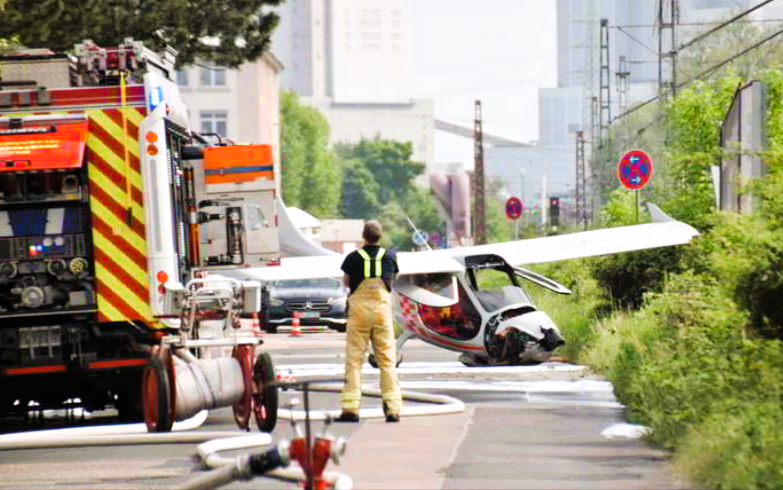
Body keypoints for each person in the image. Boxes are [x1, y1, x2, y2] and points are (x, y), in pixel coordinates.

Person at [336, 220, 402, 423]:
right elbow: (394, 277)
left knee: (354, 361)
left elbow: (346, 282)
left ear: (363, 237)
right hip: (382, 312)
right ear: (380, 236)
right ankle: (392, 409)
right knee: (387, 362)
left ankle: (351, 409)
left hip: (359, 313)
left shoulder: (353, 258)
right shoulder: (390, 256)